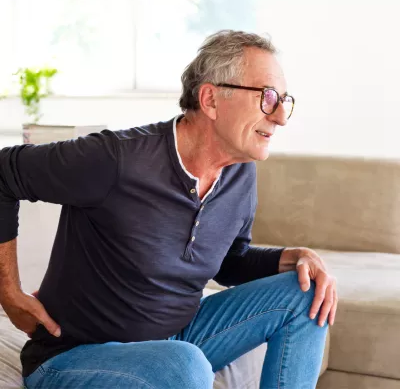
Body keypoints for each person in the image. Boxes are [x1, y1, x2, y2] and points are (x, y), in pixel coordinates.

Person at [0, 30, 337, 389]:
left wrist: (293, 257)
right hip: (76, 356)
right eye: (268, 97)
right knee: (184, 364)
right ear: (210, 99)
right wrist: (9, 292)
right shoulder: (115, 159)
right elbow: (4, 172)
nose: (281, 116)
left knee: (306, 293)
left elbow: (227, 263)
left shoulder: (240, 173)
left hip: (176, 341)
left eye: (284, 100)